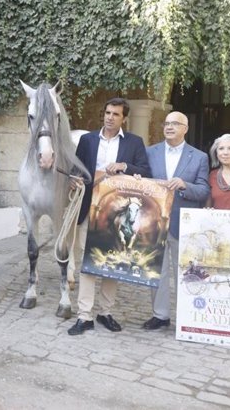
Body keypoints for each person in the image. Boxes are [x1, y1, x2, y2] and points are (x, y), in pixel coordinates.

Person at [67, 98, 151, 336]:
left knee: (111, 262)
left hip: (118, 212)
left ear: (124, 118)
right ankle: (84, 316)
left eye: (115, 114)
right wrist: (73, 180)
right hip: (89, 207)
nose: (109, 117)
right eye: (107, 112)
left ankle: (105, 312)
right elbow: (77, 170)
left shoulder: (134, 143)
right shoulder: (87, 140)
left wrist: (124, 166)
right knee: (88, 263)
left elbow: (146, 171)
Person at [142, 112, 210, 330]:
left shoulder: (199, 157)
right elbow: (142, 180)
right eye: (167, 123)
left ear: (185, 128)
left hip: (184, 223)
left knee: (185, 273)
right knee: (158, 272)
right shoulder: (150, 152)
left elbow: (203, 190)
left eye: (175, 124)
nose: (169, 127)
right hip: (155, 222)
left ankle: (187, 316)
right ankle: (160, 315)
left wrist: (184, 185)